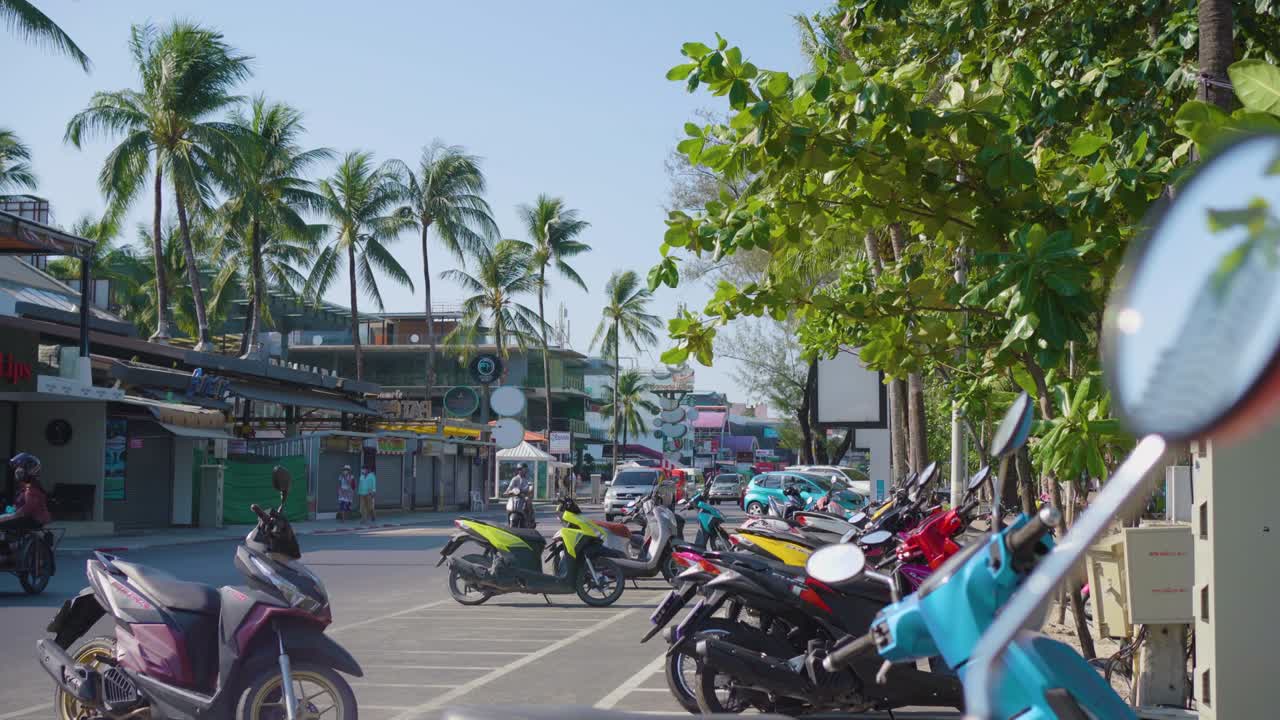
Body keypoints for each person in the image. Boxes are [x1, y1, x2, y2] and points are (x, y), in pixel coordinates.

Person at [0, 454, 51, 563]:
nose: (18, 472)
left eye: (21, 469)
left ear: (30, 471)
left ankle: (6, 556)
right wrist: (9, 512)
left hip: (33, 519)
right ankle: (7, 553)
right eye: (18, 469)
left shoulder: (33, 488)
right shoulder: (25, 487)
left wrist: (8, 517)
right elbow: (19, 506)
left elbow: (26, 510)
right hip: (27, 517)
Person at [506, 463, 534, 527]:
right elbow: (510, 487)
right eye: (519, 469)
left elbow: (531, 486)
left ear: (526, 470)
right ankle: (509, 521)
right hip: (515, 497)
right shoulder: (515, 479)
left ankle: (529, 519)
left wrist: (530, 489)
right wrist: (507, 491)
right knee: (509, 505)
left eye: (522, 469)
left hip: (525, 496)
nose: (520, 471)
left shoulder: (528, 479)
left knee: (528, 501)